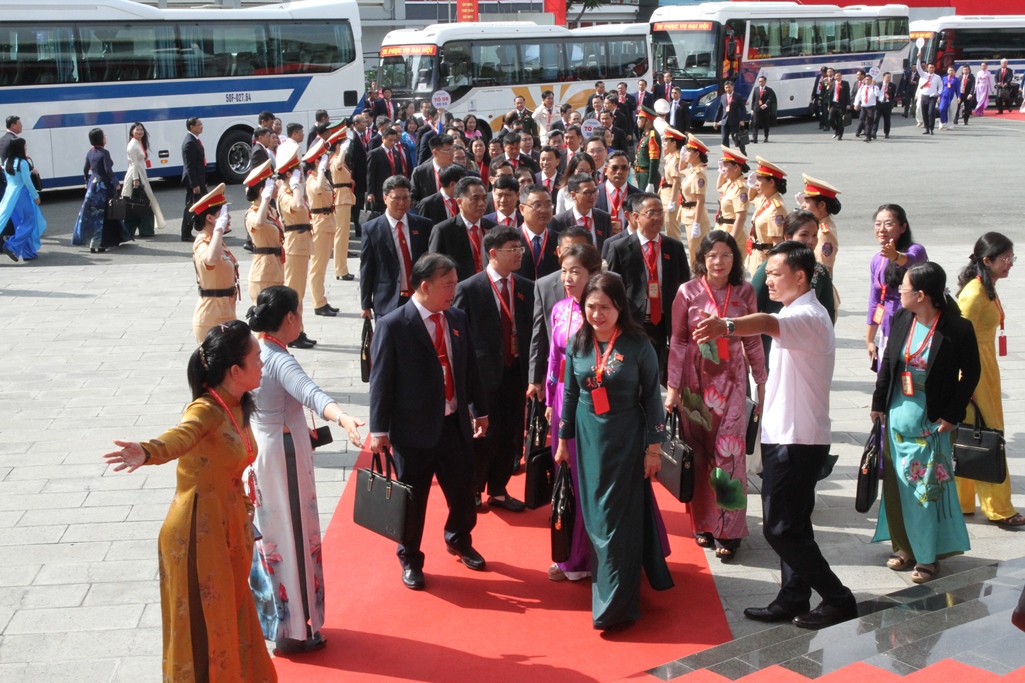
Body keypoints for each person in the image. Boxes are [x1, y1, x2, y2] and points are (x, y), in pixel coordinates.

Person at [101, 321, 278, 683]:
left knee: (233, 618)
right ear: (235, 371)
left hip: (230, 526)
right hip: (198, 534)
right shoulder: (204, 410)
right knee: (205, 630)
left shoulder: (238, 405)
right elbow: (181, 436)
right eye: (257, 359)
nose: (263, 364)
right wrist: (147, 451)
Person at [694, 241, 857, 630]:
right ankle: (793, 596)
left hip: (798, 440)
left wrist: (725, 326)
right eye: (766, 273)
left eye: (774, 274)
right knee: (794, 526)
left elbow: (766, 323)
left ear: (800, 277)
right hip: (786, 435)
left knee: (780, 529)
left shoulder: (809, 316)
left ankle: (838, 598)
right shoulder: (795, 311)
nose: (767, 280)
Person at [246, 287, 364, 653]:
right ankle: (298, 628)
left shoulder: (255, 351)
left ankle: (280, 624)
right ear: (290, 318)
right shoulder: (279, 359)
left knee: (273, 540)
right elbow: (311, 393)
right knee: (293, 537)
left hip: (263, 453)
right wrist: (343, 418)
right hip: (285, 460)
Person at [556, 272, 673, 629]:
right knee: (596, 517)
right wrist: (562, 440)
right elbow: (571, 394)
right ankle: (608, 581)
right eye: (591, 307)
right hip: (588, 439)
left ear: (620, 307)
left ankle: (617, 605)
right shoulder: (578, 343)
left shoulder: (638, 346)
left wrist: (654, 449)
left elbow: (652, 398)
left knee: (616, 520)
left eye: (605, 307)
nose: (597, 314)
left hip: (626, 438)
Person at [369, 252, 489, 591]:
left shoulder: (457, 318)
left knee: (464, 491)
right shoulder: (394, 325)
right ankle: (410, 557)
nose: (454, 290)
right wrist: (378, 430)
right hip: (413, 431)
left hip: (454, 424)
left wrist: (480, 409)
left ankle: (459, 538)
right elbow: (381, 381)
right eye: (447, 285)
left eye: (455, 283)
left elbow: (469, 368)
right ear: (425, 286)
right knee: (413, 501)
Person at [870, 263, 979, 583]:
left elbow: (971, 374)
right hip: (897, 418)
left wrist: (952, 415)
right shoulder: (901, 318)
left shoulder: (957, 328)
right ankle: (904, 546)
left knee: (925, 491)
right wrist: (878, 403)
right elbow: (888, 363)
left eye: (904, 288)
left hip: (932, 422)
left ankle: (928, 556)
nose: (899, 292)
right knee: (898, 488)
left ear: (921, 295)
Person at [667, 231, 767, 560]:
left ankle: (729, 529)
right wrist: (673, 388)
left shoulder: (745, 292)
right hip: (695, 386)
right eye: (712, 255)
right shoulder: (688, 291)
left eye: (725, 255)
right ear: (702, 259)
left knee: (729, 454)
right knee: (699, 455)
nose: (718, 261)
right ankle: (703, 524)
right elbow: (678, 341)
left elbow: (753, 338)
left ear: (735, 259)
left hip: (733, 383)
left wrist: (761, 380)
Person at [453, 226, 534, 511]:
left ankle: (498, 490)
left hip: (515, 371)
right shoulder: (469, 288)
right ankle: (474, 489)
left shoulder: (526, 287)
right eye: (512, 249)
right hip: (482, 374)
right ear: (493, 253)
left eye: (520, 248)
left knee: (510, 434)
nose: (519, 254)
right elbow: (458, 335)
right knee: (486, 433)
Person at [955, 233, 1024, 527]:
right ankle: (999, 507)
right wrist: (964, 384)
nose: (1010, 263)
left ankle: (961, 502)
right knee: (989, 436)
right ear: (987, 260)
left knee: (972, 434)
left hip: (986, 369)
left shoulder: (987, 288)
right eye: (1005, 258)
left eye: (1012, 257)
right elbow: (957, 338)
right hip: (974, 374)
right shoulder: (973, 294)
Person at [542, 243, 602, 581]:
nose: (567, 278)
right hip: (563, 400)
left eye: (575, 271)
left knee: (588, 478)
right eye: (564, 271)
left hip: (592, 402)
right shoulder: (560, 309)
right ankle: (569, 553)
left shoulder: (601, 310)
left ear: (593, 273)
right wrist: (550, 402)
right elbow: (553, 358)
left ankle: (589, 555)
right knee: (565, 475)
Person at [605, 193, 690, 382]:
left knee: (657, 374)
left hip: (663, 323)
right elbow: (610, 288)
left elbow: (685, 286)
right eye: (651, 213)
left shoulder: (674, 248)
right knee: (631, 373)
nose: (658, 218)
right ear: (636, 216)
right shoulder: (620, 248)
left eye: (660, 213)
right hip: (633, 321)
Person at [751, 210, 835, 362]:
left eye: (814, 235)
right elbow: (751, 307)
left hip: (806, 348)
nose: (811, 241)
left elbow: (829, 313)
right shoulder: (770, 268)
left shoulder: (820, 271)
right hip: (770, 345)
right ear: (788, 237)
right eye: (804, 235)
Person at [527, 226, 593, 405]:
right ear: (558, 252)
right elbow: (539, 334)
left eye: (580, 249)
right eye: (568, 250)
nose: (574, 255)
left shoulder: (609, 283)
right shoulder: (544, 285)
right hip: (560, 373)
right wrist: (535, 378)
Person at [865, 204, 928, 370]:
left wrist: (895, 256)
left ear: (903, 227)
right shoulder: (877, 259)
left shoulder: (917, 250)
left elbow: (910, 259)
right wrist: (870, 339)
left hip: (913, 324)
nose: (881, 229)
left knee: (911, 373)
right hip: (888, 325)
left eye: (888, 224)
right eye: (878, 224)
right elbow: (874, 301)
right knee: (886, 374)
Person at [360, 176, 432, 319]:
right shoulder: (372, 229)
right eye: (396, 198)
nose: (402, 203)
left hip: (420, 298)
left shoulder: (423, 225)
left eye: (406, 197)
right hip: (387, 301)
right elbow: (367, 268)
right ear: (385, 198)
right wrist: (365, 304)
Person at [276, 148, 316, 350]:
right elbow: (298, 206)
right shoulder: (286, 193)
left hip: (301, 244)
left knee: (298, 293)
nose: (300, 173)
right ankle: (292, 334)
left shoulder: (291, 191)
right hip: (294, 245)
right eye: (296, 170)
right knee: (294, 294)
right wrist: (295, 185)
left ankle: (298, 330)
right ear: (289, 174)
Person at [188, 185, 238, 344]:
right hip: (211, 317)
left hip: (225, 311)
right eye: (223, 215)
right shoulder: (203, 241)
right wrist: (218, 230)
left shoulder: (216, 241)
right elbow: (211, 259)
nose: (228, 218)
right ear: (210, 218)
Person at [71, 128, 129, 253]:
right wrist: (116, 183)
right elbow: (108, 170)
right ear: (100, 138)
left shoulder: (90, 152)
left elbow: (85, 169)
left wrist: (87, 182)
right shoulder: (104, 153)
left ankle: (92, 243)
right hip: (103, 186)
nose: (105, 137)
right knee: (105, 214)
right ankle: (102, 243)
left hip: (92, 186)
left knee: (92, 214)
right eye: (104, 135)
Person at [429, 176, 497, 282]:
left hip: (488, 285)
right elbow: (434, 268)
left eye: (484, 198)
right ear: (459, 202)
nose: (481, 203)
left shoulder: (493, 228)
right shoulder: (443, 230)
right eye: (475, 199)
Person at [303, 140, 338, 318]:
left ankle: (322, 299)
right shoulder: (312, 179)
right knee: (317, 266)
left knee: (323, 265)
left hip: (328, 222)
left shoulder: (320, 177)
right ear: (317, 162)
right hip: (320, 224)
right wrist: (322, 169)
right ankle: (318, 303)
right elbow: (317, 189)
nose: (328, 160)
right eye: (323, 158)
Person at [243, 161, 284, 304]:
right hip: (263, 272)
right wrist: (266, 199)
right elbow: (259, 223)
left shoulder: (270, 210)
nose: (276, 186)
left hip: (276, 268)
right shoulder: (252, 212)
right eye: (272, 184)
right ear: (262, 190)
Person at [0, 138, 46, 262]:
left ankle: (28, 252)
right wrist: (36, 196)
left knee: (20, 224)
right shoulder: (22, 163)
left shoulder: (7, 161)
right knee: (29, 222)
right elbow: (27, 182)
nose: (26, 147)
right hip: (22, 194)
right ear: (21, 147)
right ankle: (11, 245)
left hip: (10, 195)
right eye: (25, 145)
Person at [122, 122, 165, 237]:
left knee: (139, 203)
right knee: (139, 203)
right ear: (132, 132)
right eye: (137, 130)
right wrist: (136, 179)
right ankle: (142, 230)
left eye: (141, 130)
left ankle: (140, 229)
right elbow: (134, 164)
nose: (140, 132)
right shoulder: (132, 145)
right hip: (136, 176)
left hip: (141, 174)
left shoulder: (139, 143)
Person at [746, 157, 787, 273]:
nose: (756, 183)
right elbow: (751, 198)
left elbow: (777, 242)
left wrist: (774, 269)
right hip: (756, 258)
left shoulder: (777, 208)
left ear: (771, 182)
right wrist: (752, 185)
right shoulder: (765, 199)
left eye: (759, 179)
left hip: (765, 261)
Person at [325, 123, 355, 282]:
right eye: (343, 144)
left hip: (344, 196)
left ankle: (342, 268)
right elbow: (338, 166)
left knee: (343, 236)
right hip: (341, 198)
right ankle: (341, 269)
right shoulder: (336, 159)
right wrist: (342, 150)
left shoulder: (337, 159)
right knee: (341, 236)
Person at [549, 173, 610, 250]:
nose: (592, 196)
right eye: (587, 192)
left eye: (594, 191)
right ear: (573, 195)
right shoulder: (558, 221)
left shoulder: (604, 218)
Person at [797, 175, 841, 279]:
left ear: (821, 205)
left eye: (807, 201)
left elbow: (824, 270)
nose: (802, 206)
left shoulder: (823, 233)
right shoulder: (817, 226)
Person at [680, 134, 711, 272]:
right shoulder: (693, 169)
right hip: (689, 215)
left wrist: (697, 224)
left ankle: (699, 278)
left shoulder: (698, 173)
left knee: (697, 254)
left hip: (695, 217)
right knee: (693, 252)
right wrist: (683, 158)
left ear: (697, 154)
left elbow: (700, 200)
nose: (685, 153)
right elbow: (681, 169)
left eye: (688, 151)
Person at [516, 185, 559, 281]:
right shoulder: (511, 240)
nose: (544, 210)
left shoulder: (560, 240)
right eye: (537, 205)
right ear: (522, 209)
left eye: (548, 205)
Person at [366, 127, 408, 213]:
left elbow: (399, 171)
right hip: (380, 191)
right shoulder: (374, 154)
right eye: (390, 140)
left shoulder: (396, 153)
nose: (392, 143)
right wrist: (370, 192)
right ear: (383, 139)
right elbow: (370, 174)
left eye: (394, 140)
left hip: (394, 190)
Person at [714, 146, 749, 247]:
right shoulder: (731, 183)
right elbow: (719, 187)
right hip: (722, 229)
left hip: (733, 234)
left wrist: (731, 241)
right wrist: (722, 171)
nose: (722, 168)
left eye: (725, 165)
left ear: (736, 167)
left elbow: (741, 218)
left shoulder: (740, 188)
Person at [657, 128, 686, 243]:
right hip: (665, 193)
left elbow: (676, 182)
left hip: (670, 195)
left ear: (674, 143)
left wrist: (673, 201)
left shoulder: (677, 159)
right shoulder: (671, 156)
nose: (664, 143)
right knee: (667, 227)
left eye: (666, 141)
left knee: (672, 230)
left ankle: (676, 251)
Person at [181, 117, 207, 242]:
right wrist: (195, 185)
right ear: (192, 127)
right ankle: (186, 233)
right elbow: (190, 167)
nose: (202, 127)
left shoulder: (195, 140)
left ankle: (207, 226)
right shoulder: (189, 143)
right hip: (194, 181)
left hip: (199, 179)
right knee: (191, 206)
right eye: (199, 124)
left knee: (204, 203)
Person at [411, 134, 455, 203]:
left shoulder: (459, 170)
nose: (452, 154)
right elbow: (413, 200)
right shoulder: (420, 172)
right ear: (435, 152)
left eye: (453, 150)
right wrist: (427, 207)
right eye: (449, 151)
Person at [712, 80, 748, 155]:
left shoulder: (738, 96)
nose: (728, 89)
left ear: (732, 87)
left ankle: (743, 153)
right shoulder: (723, 96)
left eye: (729, 87)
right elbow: (720, 109)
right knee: (724, 139)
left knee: (736, 138)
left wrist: (742, 119)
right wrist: (715, 121)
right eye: (726, 87)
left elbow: (743, 109)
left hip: (734, 122)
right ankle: (727, 154)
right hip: (725, 122)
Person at [633, 107, 661, 192]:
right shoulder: (646, 134)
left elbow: (654, 161)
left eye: (640, 118)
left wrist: (650, 182)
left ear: (647, 120)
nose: (638, 120)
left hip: (647, 175)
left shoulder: (652, 136)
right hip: (642, 175)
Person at [749, 75, 777, 143]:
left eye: (762, 81)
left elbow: (770, 99)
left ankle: (766, 136)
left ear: (765, 82)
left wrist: (766, 104)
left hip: (765, 110)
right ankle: (755, 138)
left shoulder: (769, 90)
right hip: (756, 109)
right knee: (755, 123)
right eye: (759, 81)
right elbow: (754, 100)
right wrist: (752, 109)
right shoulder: (756, 89)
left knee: (765, 124)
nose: (760, 83)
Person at [917, 61, 942, 134]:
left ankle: (931, 128)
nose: (931, 69)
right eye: (930, 67)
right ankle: (927, 128)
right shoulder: (924, 75)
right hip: (924, 96)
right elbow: (918, 68)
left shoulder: (937, 77)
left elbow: (941, 86)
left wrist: (938, 93)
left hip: (932, 96)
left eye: (933, 67)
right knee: (924, 113)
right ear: (927, 68)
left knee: (931, 112)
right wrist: (918, 59)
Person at [853, 74, 879, 141]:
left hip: (871, 107)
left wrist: (875, 86)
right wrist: (856, 104)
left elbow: (877, 94)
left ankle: (868, 136)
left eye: (869, 79)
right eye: (866, 79)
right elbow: (858, 96)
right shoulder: (862, 87)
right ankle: (866, 133)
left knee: (868, 121)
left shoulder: (874, 87)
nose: (867, 81)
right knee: (863, 120)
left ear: (871, 80)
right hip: (863, 106)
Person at [874, 72, 897, 139]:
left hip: (887, 104)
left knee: (887, 119)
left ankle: (886, 133)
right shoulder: (879, 84)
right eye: (887, 77)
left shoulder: (892, 85)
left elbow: (893, 95)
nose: (889, 78)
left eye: (890, 77)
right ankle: (874, 132)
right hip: (879, 103)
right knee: (876, 118)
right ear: (883, 77)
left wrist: (891, 102)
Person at [938, 67, 961, 131]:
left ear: (954, 71)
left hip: (952, 95)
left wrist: (959, 97)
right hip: (944, 95)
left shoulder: (956, 79)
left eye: (952, 70)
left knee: (951, 110)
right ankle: (943, 122)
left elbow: (958, 89)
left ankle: (950, 124)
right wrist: (939, 96)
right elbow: (941, 87)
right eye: (949, 70)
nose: (951, 71)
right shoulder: (944, 78)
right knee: (942, 108)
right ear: (947, 71)